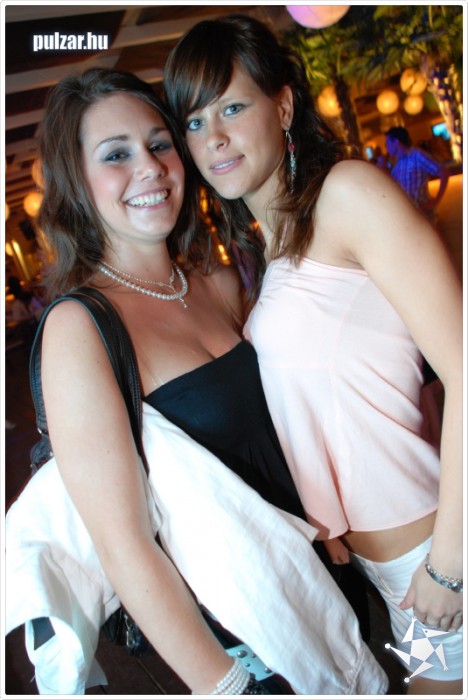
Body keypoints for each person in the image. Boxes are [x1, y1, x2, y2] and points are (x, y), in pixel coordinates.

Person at [25, 67, 387, 695]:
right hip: (245, 641)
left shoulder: (217, 285)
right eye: (116, 155)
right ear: (76, 181)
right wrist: (224, 685)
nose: (150, 167)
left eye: (159, 144)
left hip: (329, 584)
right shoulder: (80, 327)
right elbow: (125, 546)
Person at [164, 14, 463, 695]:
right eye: (194, 121)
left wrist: (450, 563)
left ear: (283, 105)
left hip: (434, 553)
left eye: (232, 108)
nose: (213, 138)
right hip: (388, 567)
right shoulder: (272, 248)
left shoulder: (348, 194)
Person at [385, 126, 449, 221]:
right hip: (409, 215)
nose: (386, 147)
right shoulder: (397, 162)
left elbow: (444, 173)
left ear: (396, 142)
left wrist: (436, 200)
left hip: (423, 214)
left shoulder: (417, 155)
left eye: (387, 143)